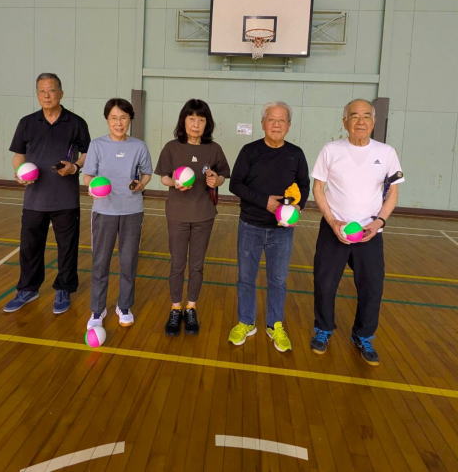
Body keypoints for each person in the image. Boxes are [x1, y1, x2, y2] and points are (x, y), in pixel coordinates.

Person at [310, 99, 404, 366]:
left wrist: (379, 222)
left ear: (373, 122)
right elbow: (318, 188)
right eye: (354, 116)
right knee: (325, 284)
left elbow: (393, 192)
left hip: (369, 232)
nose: (360, 121)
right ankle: (323, 329)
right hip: (334, 230)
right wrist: (332, 222)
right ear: (345, 122)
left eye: (366, 116)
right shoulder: (330, 150)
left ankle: (363, 336)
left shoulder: (386, 152)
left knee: (372, 287)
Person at [4, 73, 90, 314]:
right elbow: (18, 155)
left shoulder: (76, 122)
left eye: (51, 90)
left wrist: (75, 167)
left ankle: (64, 289)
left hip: (65, 198)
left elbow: (87, 153)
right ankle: (28, 289)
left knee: (67, 247)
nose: (47, 95)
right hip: (35, 198)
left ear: (61, 93)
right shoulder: (27, 122)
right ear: (37, 94)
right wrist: (19, 172)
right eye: (42, 91)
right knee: (30, 247)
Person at [228, 101, 309, 353]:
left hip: (282, 230)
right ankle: (246, 322)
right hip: (250, 225)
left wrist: (297, 208)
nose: (276, 124)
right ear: (263, 123)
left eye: (281, 120)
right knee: (246, 278)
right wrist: (266, 202)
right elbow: (235, 184)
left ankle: (275, 325)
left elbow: (304, 185)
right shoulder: (249, 151)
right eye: (271, 119)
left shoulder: (296, 153)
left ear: (289, 126)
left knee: (278, 279)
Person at [155, 99, 230, 336]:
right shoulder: (172, 147)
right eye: (191, 119)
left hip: (203, 215)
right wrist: (174, 183)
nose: (196, 124)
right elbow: (163, 177)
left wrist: (215, 180)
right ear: (183, 121)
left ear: (207, 123)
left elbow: (222, 175)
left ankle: (191, 307)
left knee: (197, 265)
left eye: (201, 119)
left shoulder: (213, 149)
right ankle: (175, 307)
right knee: (177, 263)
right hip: (177, 214)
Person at [83, 98, 152, 330]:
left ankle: (124, 306)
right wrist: (92, 186)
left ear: (130, 119)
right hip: (104, 211)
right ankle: (97, 309)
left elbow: (146, 173)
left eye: (123, 118)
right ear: (107, 119)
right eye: (114, 118)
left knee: (128, 261)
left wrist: (141, 184)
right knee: (100, 262)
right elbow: (88, 175)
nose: (119, 123)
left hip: (132, 210)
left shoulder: (139, 146)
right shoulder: (97, 145)